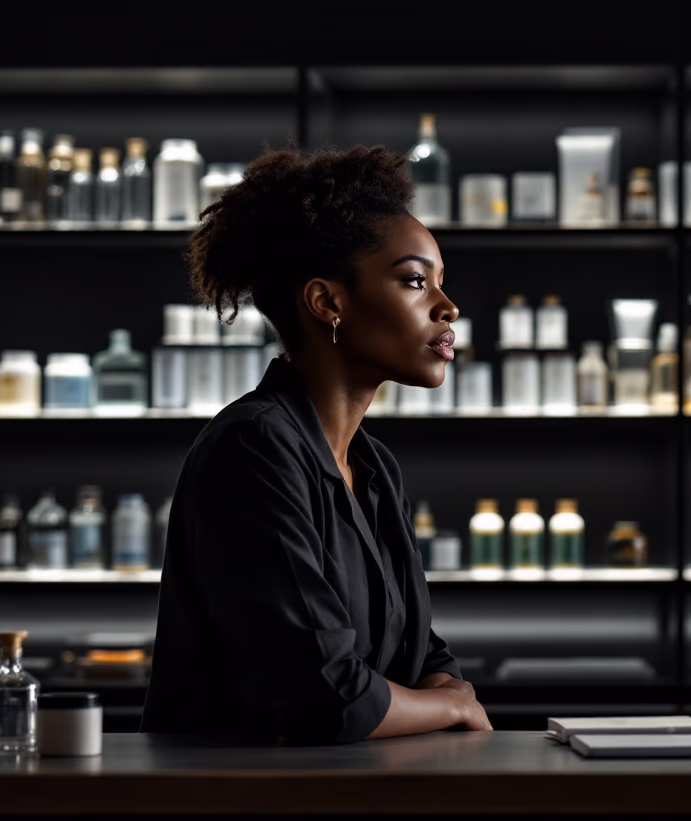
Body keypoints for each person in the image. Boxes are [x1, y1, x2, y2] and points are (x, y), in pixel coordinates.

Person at [141, 144, 491, 743]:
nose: (447, 306)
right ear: (328, 302)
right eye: (414, 281)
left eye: (440, 282)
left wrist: (430, 693)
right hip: (237, 805)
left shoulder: (373, 466)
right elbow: (327, 697)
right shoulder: (253, 449)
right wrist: (449, 707)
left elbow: (425, 658)